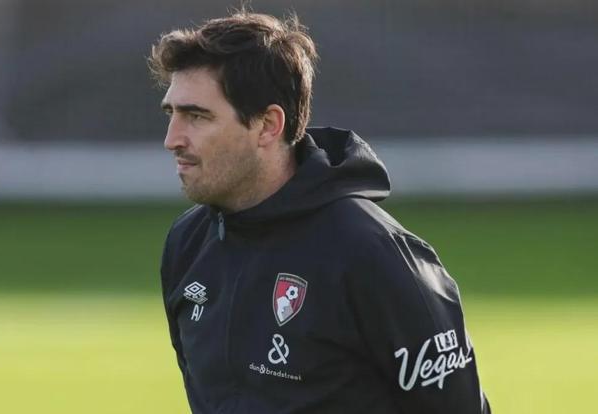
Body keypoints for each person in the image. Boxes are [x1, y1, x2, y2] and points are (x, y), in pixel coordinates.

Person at [150, 10, 490, 414]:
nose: (172, 139)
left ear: (268, 125)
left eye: (197, 116)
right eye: (172, 114)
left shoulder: (372, 253)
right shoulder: (187, 245)